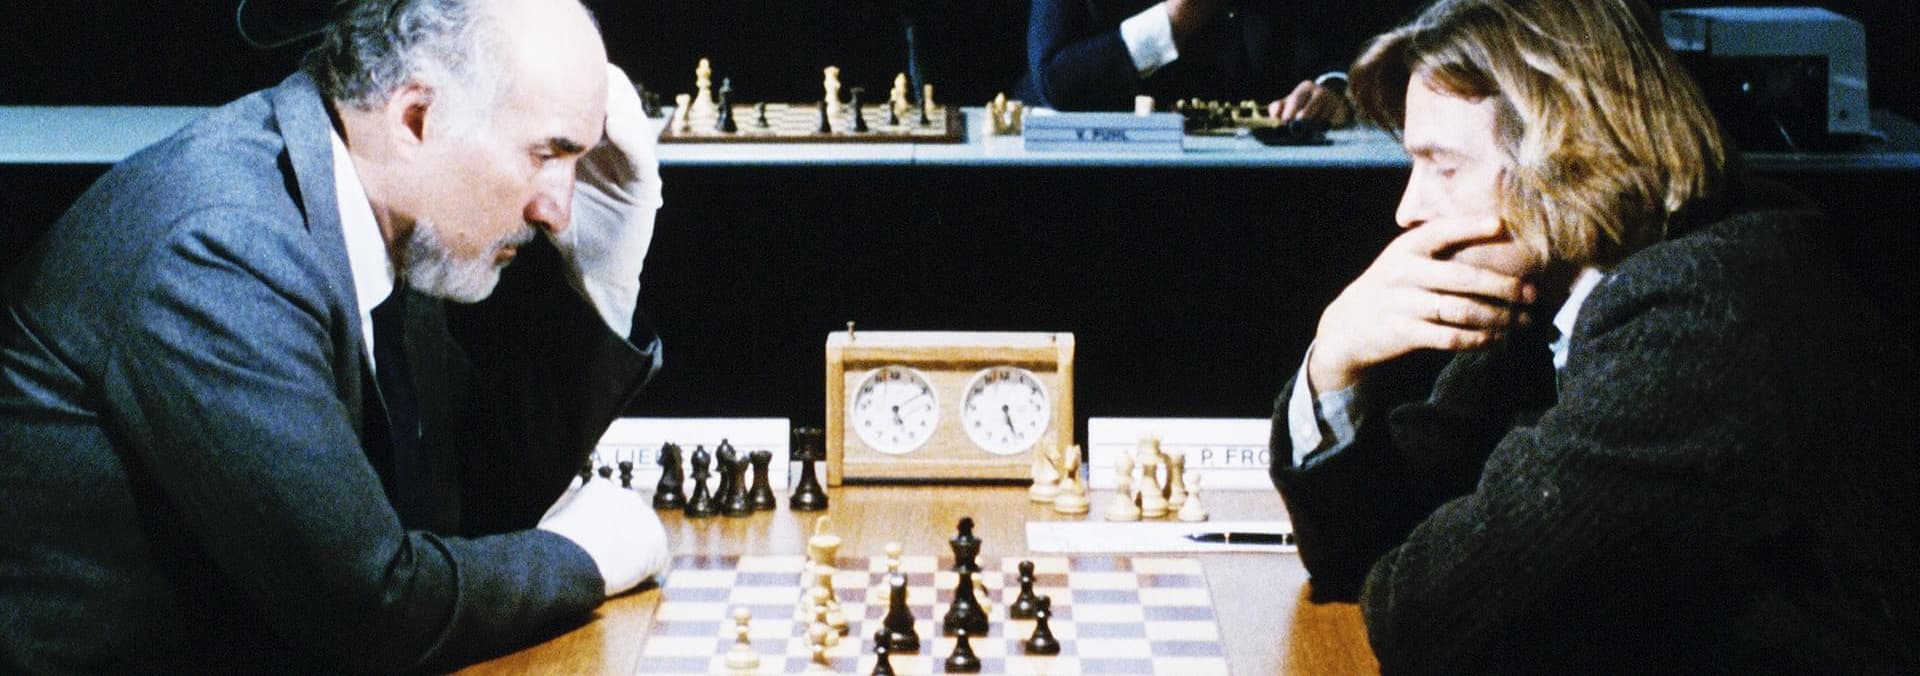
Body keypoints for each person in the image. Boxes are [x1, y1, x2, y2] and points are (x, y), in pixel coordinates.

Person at [0, 0, 674, 671]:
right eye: (546, 154)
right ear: (415, 118)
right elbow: (369, 613)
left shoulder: (377, 218)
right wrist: (585, 557)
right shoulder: (222, 249)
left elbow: (472, 517)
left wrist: (605, 280)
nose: (557, 209)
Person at [1267, 0, 1919, 672]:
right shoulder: (1577, 285)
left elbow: (1425, 615)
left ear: (1567, 152)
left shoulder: (1701, 316)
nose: (1409, 210)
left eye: (1445, 167)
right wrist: (1335, 359)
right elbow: (1367, 545)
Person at [1014, 0, 1417, 121]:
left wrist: (1331, 91)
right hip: (1091, 181)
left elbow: (1339, 50)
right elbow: (1056, 77)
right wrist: (1178, 17)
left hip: (1251, 185)